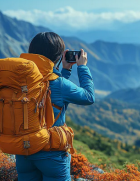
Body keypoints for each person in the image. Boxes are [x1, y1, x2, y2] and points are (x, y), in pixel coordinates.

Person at [15, 32, 95, 181]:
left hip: (23, 152)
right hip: (51, 155)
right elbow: (89, 97)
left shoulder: (19, 79)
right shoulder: (59, 84)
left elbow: (52, 95)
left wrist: (65, 70)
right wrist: (82, 67)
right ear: (58, 57)